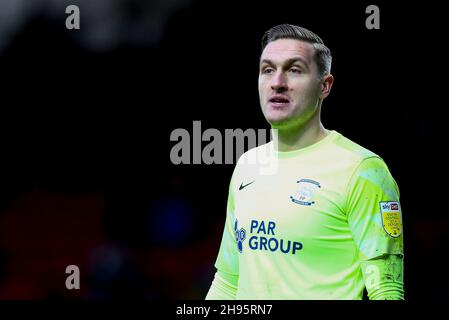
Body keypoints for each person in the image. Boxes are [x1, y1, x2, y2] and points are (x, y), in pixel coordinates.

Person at [205, 24, 404, 300]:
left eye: (294, 69)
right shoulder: (247, 165)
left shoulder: (363, 170)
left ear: (325, 86)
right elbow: (228, 281)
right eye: (268, 70)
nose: (278, 82)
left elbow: (386, 290)